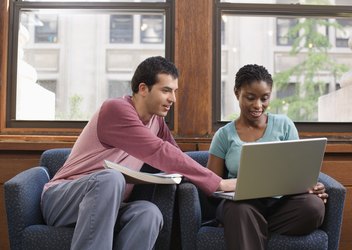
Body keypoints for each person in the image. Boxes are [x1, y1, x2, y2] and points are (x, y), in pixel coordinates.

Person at [41, 56, 235, 250]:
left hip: (109, 206)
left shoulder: (156, 122)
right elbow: (159, 151)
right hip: (61, 201)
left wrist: (221, 188)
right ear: (143, 89)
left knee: (149, 214)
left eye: (174, 92)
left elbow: (176, 159)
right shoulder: (115, 109)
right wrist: (218, 182)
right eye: (166, 90)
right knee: (110, 179)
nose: (173, 99)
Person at [207, 64, 328, 250]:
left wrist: (311, 187)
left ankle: (249, 229)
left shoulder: (284, 125)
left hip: (281, 205)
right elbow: (211, 185)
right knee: (240, 212)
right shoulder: (224, 135)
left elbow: (297, 171)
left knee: (314, 207)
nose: (258, 105)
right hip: (241, 205)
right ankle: (245, 224)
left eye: (264, 98)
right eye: (250, 97)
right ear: (236, 92)